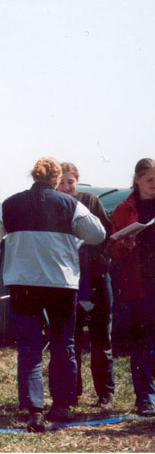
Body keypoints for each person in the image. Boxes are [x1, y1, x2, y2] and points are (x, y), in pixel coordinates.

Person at [0, 157, 106, 433]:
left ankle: (34, 411)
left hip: (23, 284)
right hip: (60, 284)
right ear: (56, 179)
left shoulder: (9, 204)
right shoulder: (71, 205)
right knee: (63, 343)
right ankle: (62, 406)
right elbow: (98, 234)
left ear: (34, 177)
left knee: (29, 347)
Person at [56, 162, 115, 408]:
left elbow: (107, 234)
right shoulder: (54, 206)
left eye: (70, 182)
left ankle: (106, 394)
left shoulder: (90, 201)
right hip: (68, 280)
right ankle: (73, 393)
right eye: (61, 182)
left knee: (101, 338)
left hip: (96, 277)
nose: (66, 187)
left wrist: (95, 259)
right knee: (72, 340)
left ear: (77, 181)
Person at [109, 157, 155, 417]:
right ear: (137, 179)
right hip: (138, 286)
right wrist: (124, 246)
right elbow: (112, 251)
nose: (154, 184)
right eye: (150, 179)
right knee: (141, 344)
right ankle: (145, 398)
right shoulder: (122, 210)